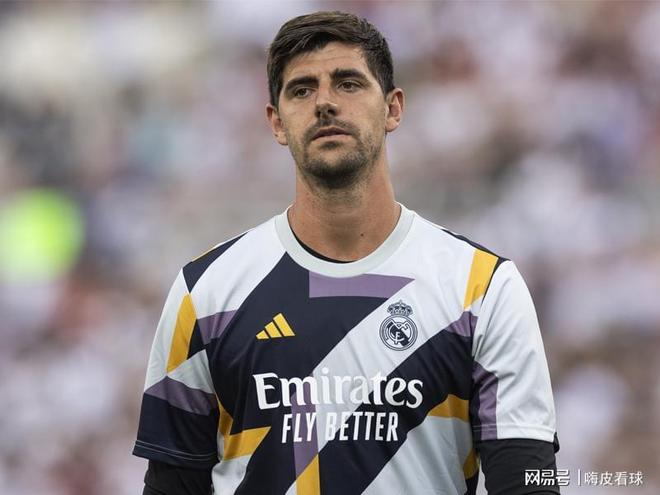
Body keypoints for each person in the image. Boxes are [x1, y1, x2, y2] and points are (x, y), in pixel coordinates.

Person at [133, 11, 560, 495]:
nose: (325, 103)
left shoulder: (483, 288)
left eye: (349, 83)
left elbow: (529, 483)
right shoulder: (206, 291)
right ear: (276, 122)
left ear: (393, 109)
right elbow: (171, 486)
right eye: (301, 90)